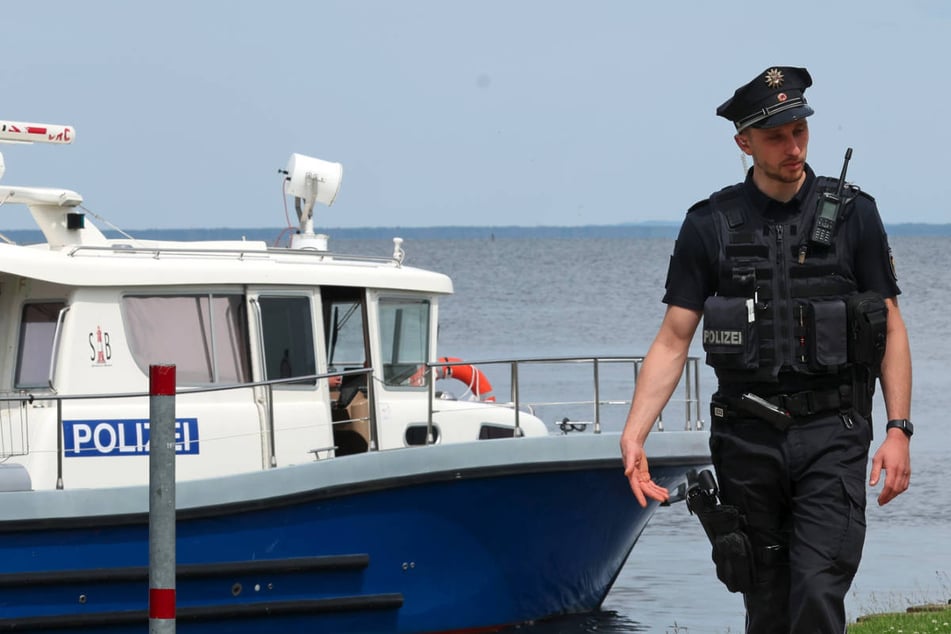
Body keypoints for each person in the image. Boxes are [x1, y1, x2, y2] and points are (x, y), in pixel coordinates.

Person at [619, 66, 912, 633]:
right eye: (776, 136)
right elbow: (674, 338)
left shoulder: (854, 214)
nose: (793, 146)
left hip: (834, 431)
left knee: (817, 586)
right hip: (746, 438)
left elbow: (892, 327)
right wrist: (635, 434)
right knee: (767, 601)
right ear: (744, 143)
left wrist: (898, 428)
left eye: (799, 130)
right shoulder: (709, 225)